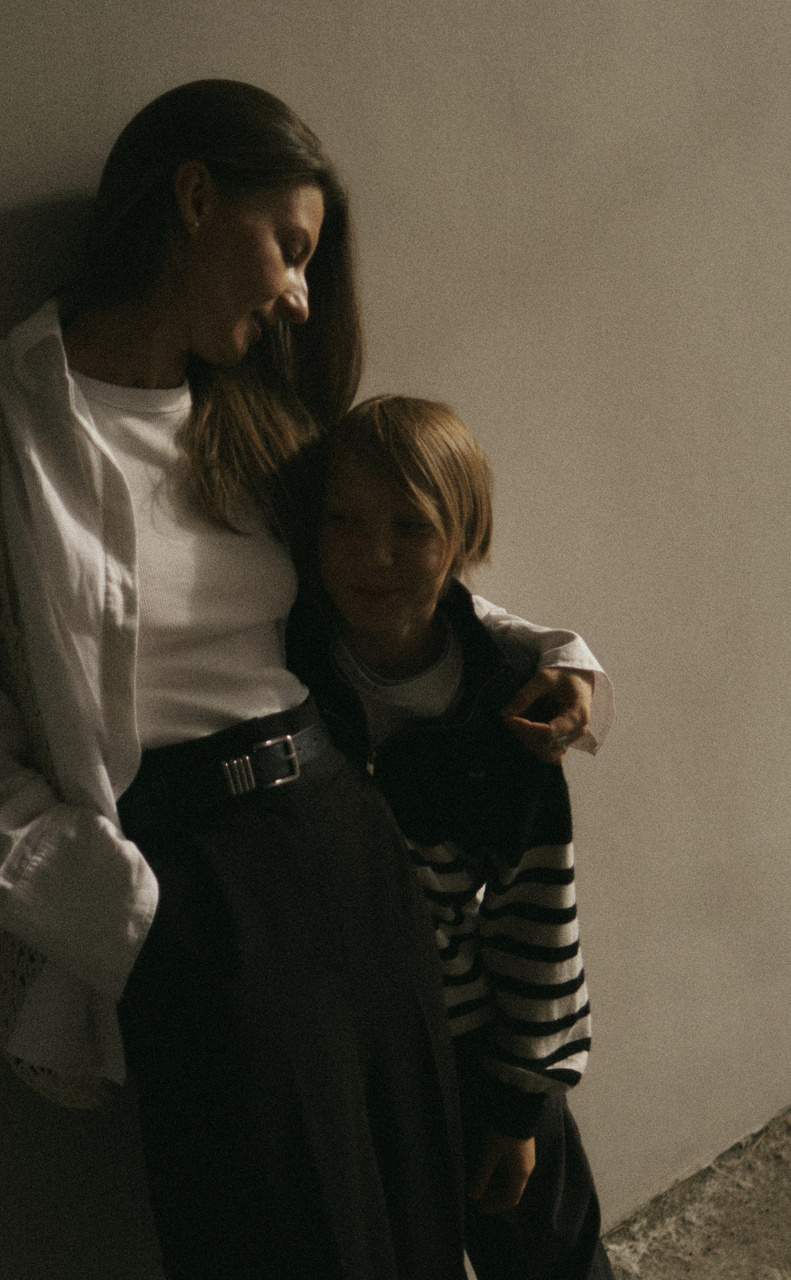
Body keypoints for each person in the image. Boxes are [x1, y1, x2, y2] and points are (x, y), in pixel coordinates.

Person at [0, 81, 607, 1280]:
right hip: (194, 891)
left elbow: (389, 587)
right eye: (290, 248)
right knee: (282, 1247)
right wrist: (151, 934)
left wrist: (551, 654)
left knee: (415, 1226)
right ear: (196, 197)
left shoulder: (257, 426)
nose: (300, 295)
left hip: (351, 847)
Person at [286, 395, 613, 1280]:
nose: (374, 554)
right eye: (345, 522)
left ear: (462, 535)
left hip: (478, 1055)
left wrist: (519, 1106)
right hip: (352, 1055)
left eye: (410, 526)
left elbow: (539, 919)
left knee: (548, 1260)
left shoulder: (510, 708)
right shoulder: (289, 665)